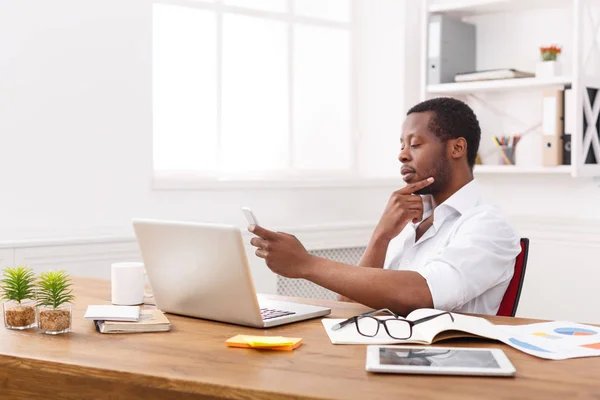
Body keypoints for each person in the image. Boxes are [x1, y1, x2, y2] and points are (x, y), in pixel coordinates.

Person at [249, 97, 521, 316]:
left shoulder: (487, 225)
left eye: (415, 144)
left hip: (446, 368)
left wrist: (306, 264)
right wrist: (381, 236)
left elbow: (421, 295)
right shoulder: (408, 218)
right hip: (387, 352)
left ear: (457, 148)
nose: (402, 154)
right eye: (402, 145)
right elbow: (348, 306)